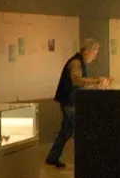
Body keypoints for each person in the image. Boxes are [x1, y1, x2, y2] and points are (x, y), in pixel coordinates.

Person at [45, 38, 111, 167]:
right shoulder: (76, 63)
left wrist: (97, 84)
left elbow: (81, 84)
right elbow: (77, 80)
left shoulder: (80, 62)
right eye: (94, 51)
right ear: (86, 51)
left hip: (72, 101)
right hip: (69, 102)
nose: (95, 55)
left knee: (67, 131)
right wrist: (97, 81)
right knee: (79, 129)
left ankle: (53, 157)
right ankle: (86, 161)